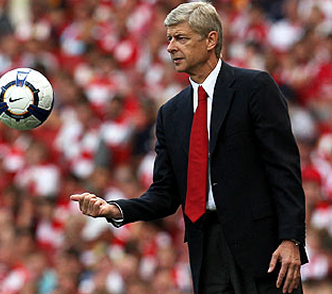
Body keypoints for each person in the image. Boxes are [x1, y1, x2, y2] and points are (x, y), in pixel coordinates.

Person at [70, 2, 307, 294]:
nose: (170, 47)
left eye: (180, 38)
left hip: (264, 249)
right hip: (206, 251)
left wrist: (291, 239)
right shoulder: (171, 113)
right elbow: (164, 195)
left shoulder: (254, 88)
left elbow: (284, 170)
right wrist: (115, 209)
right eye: (168, 38)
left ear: (211, 39)